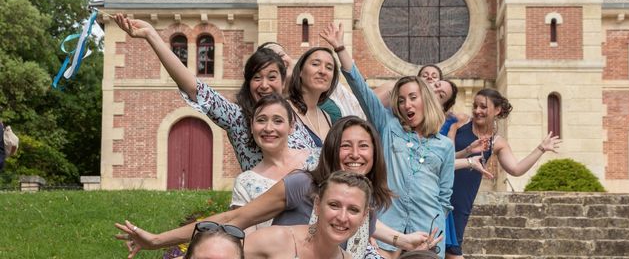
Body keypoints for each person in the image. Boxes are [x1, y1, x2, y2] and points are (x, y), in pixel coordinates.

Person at [115, 116, 439, 259]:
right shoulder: (302, 184)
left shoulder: (361, 204)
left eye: (364, 146)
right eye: (346, 145)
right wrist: (158, 241)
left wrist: (404, 241)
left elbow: (361, 239)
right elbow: (234, 220)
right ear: (331, 149)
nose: (355, 154)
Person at [113, 14, 318, 170]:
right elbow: (194, 87)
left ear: (283, 82)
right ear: (248, 84)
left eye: (272, 77)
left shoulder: (295, 117)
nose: (264, 85)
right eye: (257, 77)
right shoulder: (237, 118)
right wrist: (152, 36)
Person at [320, 23, 454, 259]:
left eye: (413, 98)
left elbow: (444, 196)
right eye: (401, 100)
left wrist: (436, 227)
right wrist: (341, 48)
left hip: (427, 230)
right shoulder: (388, 127)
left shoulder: (445, 145)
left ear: (427, 100)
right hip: (387, 224)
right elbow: (362, 90)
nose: (406, 105)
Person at [446, 89, 561, 259]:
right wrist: (468, 150)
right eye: (475, 106)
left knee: (451, 248)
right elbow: (444, 156)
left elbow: (516, 169)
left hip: (463, 199)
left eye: (483, 107)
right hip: (442, 189)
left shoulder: (497, 142)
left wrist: (541, 149)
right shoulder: (460, 122)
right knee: (445, 249)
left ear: (497, 110)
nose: (477, 110)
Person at [231, 93, 316, 232]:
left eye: (278, 121)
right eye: (261, 120)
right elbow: (247, 239)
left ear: (292, 126)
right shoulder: (245, 183)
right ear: (252, 127)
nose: (269, 128)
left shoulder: (315, 160)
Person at [242, 171, 372, 258]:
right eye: (334, 205)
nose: (342, 217)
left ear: (364, 217)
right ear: (317, 205)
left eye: (353, 210)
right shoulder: (276, 240)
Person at [259, 41, 367, 122]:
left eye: (282, 55)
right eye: (271, 59)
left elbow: (361, 106)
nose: (280, 61)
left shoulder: (325, 83)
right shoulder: (273, 108)